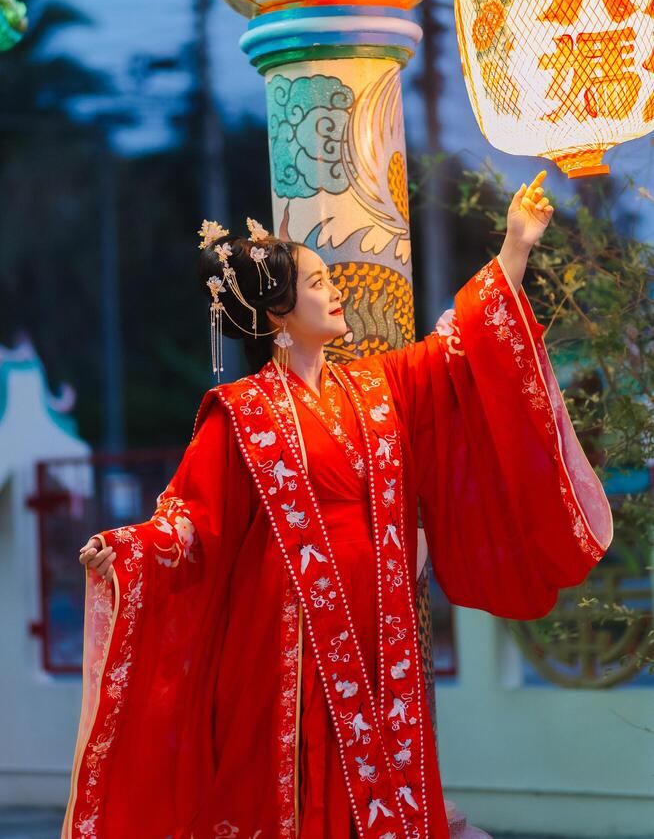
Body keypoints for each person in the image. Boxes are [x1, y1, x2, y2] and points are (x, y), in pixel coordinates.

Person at [65, 172, 612, 839]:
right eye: (319, 282)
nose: (337, 290)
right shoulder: (242, 416)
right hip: (287, 638)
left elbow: (461, 348)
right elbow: (188, 520)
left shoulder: (379, 387)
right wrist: (125, 549)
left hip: (381, 625)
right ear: (275, 314)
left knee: (387, 771)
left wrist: (515, 249)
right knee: (295, 784)